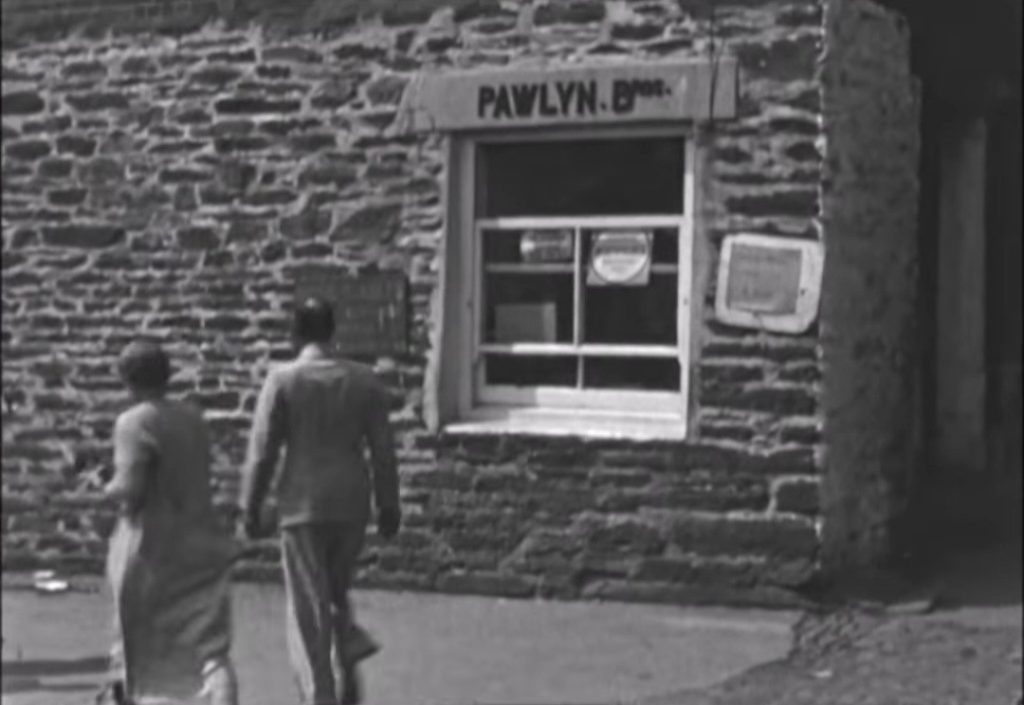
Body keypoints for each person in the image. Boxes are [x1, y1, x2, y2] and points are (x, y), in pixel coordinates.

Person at [241, 296, 401, 705]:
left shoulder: (284, 380)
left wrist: (250, 504)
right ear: (332, 331)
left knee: (307, 608)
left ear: (295, 333)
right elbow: (383, 449)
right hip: (351, 499)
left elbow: (262, 451)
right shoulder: (364, 380)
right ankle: (347, 662)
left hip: (302, 501)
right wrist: (389, 503)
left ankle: (319, 695)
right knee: (332, 591)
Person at [98, 341, 239, 705]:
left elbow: (130, 489)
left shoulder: (133, 422)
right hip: (200, 540)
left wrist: (102, 486)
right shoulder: (192, 417)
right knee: (207, 645)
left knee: (139, 645)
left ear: (126, 378)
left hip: (152, 549)